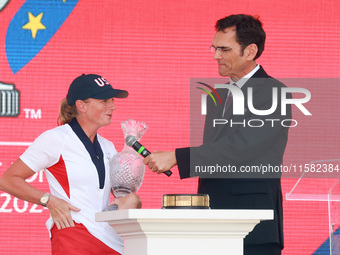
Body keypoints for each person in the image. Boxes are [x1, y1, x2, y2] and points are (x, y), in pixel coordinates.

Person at [144, 14, 291, 255]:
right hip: (214, 223)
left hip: (253, 225)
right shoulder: (219, 95)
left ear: (250, 51)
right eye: (214, 48)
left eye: (224, 49)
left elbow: (241, 147)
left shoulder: (273, 91)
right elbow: (219, 155)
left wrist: (178, 157)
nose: (215, 56)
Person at [0, 74, 141, 255]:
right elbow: (8, 179)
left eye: (112, 100)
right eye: (104, 100)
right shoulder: (55, 139)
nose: (112, 106)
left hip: (111, 241)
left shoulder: (108, 146)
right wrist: (49, 200)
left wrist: (132, 198)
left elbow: (119, 195)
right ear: (81, 105)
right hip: (73, 235)